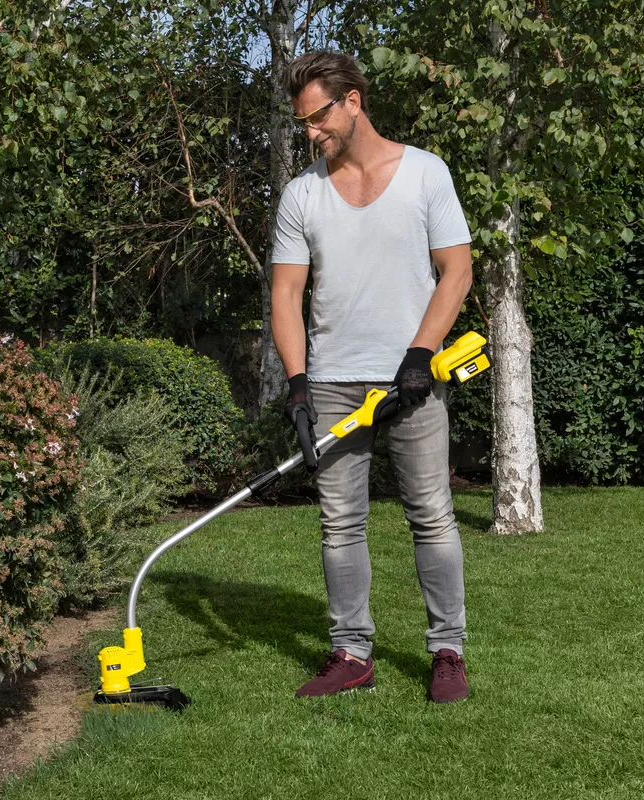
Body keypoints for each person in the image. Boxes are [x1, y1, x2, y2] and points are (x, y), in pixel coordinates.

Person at [270, 50, 474, 703]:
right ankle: (352, 653)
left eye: (318, 118)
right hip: (332, 380)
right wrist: (298, 384)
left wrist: (419, 355)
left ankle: (448, 651)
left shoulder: (424, 174)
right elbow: (285, 297)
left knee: (432, 514)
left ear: (352, 100)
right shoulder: (302, 194)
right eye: (302, 123)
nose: (311, 133)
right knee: (339, 522)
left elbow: (457, 271)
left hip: (412, 378)